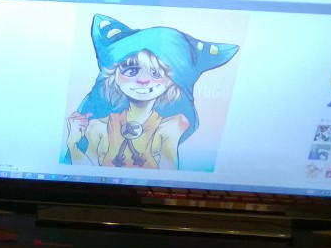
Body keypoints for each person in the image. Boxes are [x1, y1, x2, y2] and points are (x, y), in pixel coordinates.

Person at [64, 14, 237, 170]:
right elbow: (87, 174)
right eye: (131, 70)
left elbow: (167, 175)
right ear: (114, 76)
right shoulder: (97, 126)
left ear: (171, 81)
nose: (143, 80)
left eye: (156, 73)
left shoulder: (172, 126)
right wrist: (72, 144)